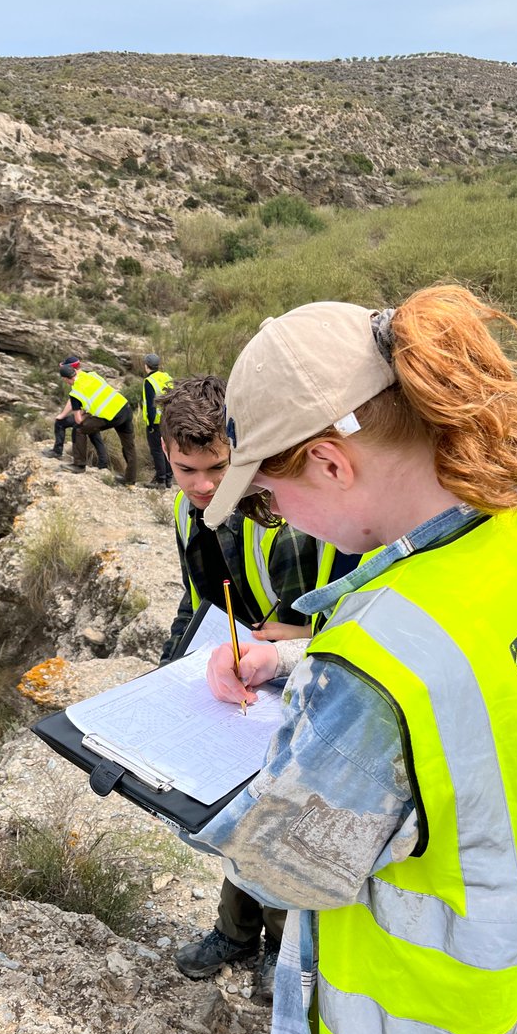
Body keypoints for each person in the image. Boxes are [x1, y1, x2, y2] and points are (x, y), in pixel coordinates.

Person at [190, 287, 517, 1034]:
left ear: (332, 464)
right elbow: (487, 692)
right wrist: (297, 662)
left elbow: (282, 873)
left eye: (268, 498)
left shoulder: (373, 665)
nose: (280, 520)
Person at [158, 375, 318, 1000]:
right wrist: (168, 672)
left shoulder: (287, 519)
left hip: (292, 674)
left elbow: (320, 616)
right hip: (238, 669)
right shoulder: (184, 510)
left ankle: (281, 949)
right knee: (241, 811)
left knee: (285, 815)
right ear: (166, 454)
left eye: (217, 468)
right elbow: (195, 599)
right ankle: (236, 932)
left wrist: (279, 642)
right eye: (184, 469)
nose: (201, 486)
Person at [59, 363, 137, 485]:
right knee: (129, 446)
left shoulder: (75, 393)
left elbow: (79, 420)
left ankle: (79, 465)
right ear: (75, 371)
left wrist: (86, 415)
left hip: (112, 416)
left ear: (65, 379)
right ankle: (130, 479)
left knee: (78, 429)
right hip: (124, 408)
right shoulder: (92, 375)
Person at [44, 356, 108, 469]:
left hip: (89, 413)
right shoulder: (89, 375)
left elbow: (74, 400)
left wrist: (62, 415)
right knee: (94, 435)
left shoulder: (77, 380)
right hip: (98, 413)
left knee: (65, 424)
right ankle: (103, 463)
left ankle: (58, 451)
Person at [141, 353, 173, 489]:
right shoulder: (167, 377)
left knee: (157, 450)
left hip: (156, 421)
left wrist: (150, 424)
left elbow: (150, 405)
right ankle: (168, 479)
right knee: (168, 449)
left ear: (146, 366)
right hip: (169, 419)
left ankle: (160, 480)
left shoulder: (149, 381)